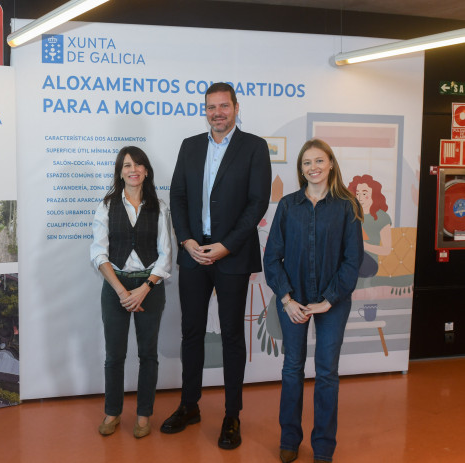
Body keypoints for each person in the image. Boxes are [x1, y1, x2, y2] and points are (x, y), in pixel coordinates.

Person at [164, 82, 271, 449]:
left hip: (232, 255)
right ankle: (189, 406)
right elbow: (177, 197)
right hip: (194, 254)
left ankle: (231, 416)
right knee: (191, 333)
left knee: (230, 337)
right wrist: (187, 240)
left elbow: (257, 203)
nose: (218, 113)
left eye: (224, 106)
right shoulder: (190, 146)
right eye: (211, 107)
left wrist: (225, 246)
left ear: (236, 108)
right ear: (205, 111)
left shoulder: (254, 147)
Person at [263, 139, 363, 463]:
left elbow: (352, 261)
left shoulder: (347, 206)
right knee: (292, 369)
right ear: (300, 169)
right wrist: (287, 299)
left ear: (331, 164)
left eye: (319, 161)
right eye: (307, 163)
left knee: (326, 372)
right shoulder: (289, 206)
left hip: (333, 304)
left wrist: (329, 300)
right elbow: (271, 258)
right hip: (294, 302)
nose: (313, 168)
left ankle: (323, 447)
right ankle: (289, 439)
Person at [90, 146, 172, 439]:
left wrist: (143, 290)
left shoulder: (159, 207)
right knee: (115, 355)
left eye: (138, 165)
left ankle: (143, 415)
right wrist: (123, 292)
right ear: (120, 171)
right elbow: (99, 254)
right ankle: (112, 412)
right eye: (127, 165)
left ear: (146, 170)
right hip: (116, 288)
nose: (133, 169)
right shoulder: (106, 205)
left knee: (148, 354)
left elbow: (165, 255)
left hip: (150, 288)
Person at [348, 174, 392, 278]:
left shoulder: (382, 217)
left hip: (369, 260)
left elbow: (387, 249)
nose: (360, 197)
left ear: (374, 194)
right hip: (350, 254)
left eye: (364, 194)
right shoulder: (351, 213)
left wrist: (365, 246)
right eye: (357, 193)